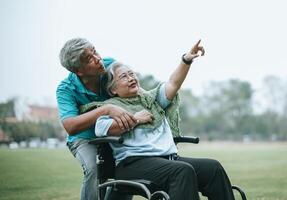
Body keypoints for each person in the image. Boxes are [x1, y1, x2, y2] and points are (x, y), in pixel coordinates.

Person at [89, 40, 236, 200]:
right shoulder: (110, 106)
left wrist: (186, 60)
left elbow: (173, 83)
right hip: (133, 164)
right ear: (113, 89)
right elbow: (102, 129)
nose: (131, 78)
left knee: (212, 168)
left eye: (132, 74)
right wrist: (136, 119)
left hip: (169, 160)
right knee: (182, 171)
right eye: (124, 76)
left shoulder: (152, 100)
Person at [56, 38, 139, 200]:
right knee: (95, 169)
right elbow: (70, 126)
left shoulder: (111, 66)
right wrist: (106, 109)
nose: (98, 58)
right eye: (89, 59)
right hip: (83, 139)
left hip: (113, 133)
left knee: (129, 165)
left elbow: (134, 90)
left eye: (95, 51)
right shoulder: (65, 89)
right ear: (78, 70)